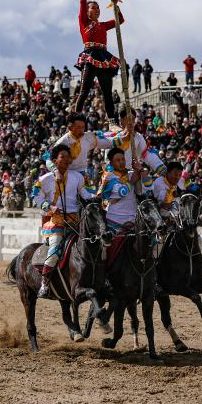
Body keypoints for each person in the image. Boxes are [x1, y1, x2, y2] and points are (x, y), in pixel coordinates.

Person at [31, 144, 94, 298]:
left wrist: (96, 198)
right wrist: (49, 207)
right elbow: (35, 196)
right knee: (55, 249)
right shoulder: (45, 179)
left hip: (76, 221)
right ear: (55, 160)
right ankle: (45, 283)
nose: (66, 159)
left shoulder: (77, 177)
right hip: (55, 222)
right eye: (62, 157)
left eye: (68, 157)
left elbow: (85, 194)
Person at [71, 0, 123, 124]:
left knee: (107, 93)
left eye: (98, 7)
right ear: (87, 11)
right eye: (93, 7)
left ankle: (113, 122)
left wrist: (116, 5)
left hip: (104, 57)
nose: (97, 9)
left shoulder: (103, 25)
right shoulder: (84, 21)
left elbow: (120, 20)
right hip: (90, 55)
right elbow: (82, 1)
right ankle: (75, 119)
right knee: (85, 90)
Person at [51, 113, 115, 178]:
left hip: (83, 174)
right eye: (78, 127)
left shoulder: (88, 137)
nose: (81, 130)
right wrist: (56, 171)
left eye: (83, 127)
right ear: (70, 127)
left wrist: (118, 139)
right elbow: (49, 160)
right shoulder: (62, 142)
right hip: (67, 175)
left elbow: (107, 142)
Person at [101, 147, 143, 236]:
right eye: (118, 160)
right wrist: (132, 182)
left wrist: (139, 170)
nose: (122, 162)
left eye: (123, 159)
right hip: (114, 221)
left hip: (132, 221)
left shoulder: (131, 174)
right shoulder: (109, 177)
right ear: (111, 163)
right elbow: (122, 191)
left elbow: (145, 190)